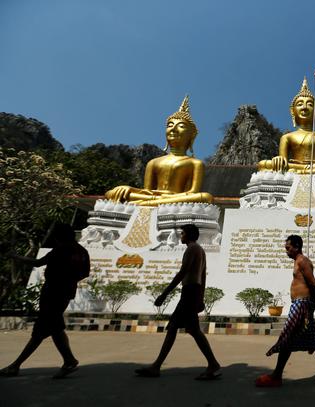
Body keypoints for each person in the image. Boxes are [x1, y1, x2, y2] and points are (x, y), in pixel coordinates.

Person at [0, 223, 89, 379]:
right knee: (56, 328)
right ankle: (69, 360)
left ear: (58, 237)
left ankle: (15, 365)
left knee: (41, 330)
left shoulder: (62, 249)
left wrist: (16, 257)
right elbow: (84, 273)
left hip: (52, 292)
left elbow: (38, 263)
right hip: (66, 292)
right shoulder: (82, 251)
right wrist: (70, 279)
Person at [134, 224, 220, 379]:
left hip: (189, 292)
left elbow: (183, 272)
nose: (181, 236)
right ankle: (157, 365)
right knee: (183, 328)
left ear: (188, 235)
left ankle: (212, 363)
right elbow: (202, 276)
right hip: (193, 291)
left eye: (182, 233)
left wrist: (164, 293)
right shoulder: (199, 250)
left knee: (185, 328)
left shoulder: (192, 249)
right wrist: (200, 296)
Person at [255, 235, 315, 387]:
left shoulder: (302, 261)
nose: (286, 251)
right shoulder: (298, 261)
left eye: (288, 248)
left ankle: (276, 376)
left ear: (296, 247)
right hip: (301, 304)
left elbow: (313, 283)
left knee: (287, 338)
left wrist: (312, 303)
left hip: (301, 305)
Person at [105, 95, 213, 206]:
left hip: (175, 198)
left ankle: (147, 203)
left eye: (181, 126)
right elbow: (147, 191)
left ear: (192, 135)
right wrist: (130, 189)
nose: (173, 129)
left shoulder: (195, 163)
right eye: (170, 125)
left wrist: (166, 197)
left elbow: (192, 193)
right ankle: (152, 202)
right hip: (155, 197)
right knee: (111, 193)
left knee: (205, 197)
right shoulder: (153, 162)